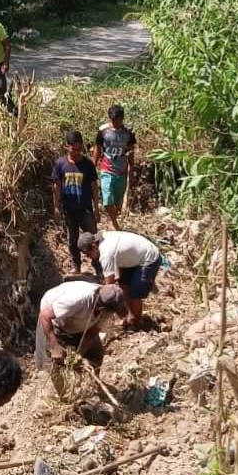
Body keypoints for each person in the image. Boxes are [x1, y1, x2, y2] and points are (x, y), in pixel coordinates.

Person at [78, 231, 163, 329]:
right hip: (133, 256)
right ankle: (129, 314)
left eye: (89, 254)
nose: (89, 258)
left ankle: (135, 322)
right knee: (123, 285)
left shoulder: (106, 254)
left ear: (94, 246)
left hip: (148, 258)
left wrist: (97, 306)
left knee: (135, 294)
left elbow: (108, 288)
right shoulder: (102, 237)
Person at [34, 281, 128, 369]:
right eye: (110, 312)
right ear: (102, 307)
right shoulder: (76, 300)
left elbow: (92, 332)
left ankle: (94, 383)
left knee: (96, 355)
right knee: (56, 362)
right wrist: (54, 346)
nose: (111, 316)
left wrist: (78, 354)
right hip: (56, 321)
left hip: (78, 321)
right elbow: (44, 316)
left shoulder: (108, 301)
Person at [51, 130, 103, 277]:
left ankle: (98, 267)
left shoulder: (87, 164)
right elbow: (57, 187)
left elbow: (94, 187)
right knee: (72, 240)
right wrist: (56, 207)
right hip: (69, 210)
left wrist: (96, 209)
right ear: (66, 146)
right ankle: (76, 266)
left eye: (79, 149)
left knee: (94, 238)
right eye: (74, 149)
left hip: (85, 209)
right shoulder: (60, 164)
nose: (77, 152)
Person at [93, 105, 138, 230]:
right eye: (112, 120)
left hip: (121, 169)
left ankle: (113, 219)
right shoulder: (103, 131)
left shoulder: (128, 132)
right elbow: (98, 147)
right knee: (107, 199)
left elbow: (131, 150)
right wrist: (93, 164)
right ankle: (114, 223)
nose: (114, 122)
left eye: (117, 120)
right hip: (107, 168)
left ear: (122, 118)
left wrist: (131, 167)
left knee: (117, 203)